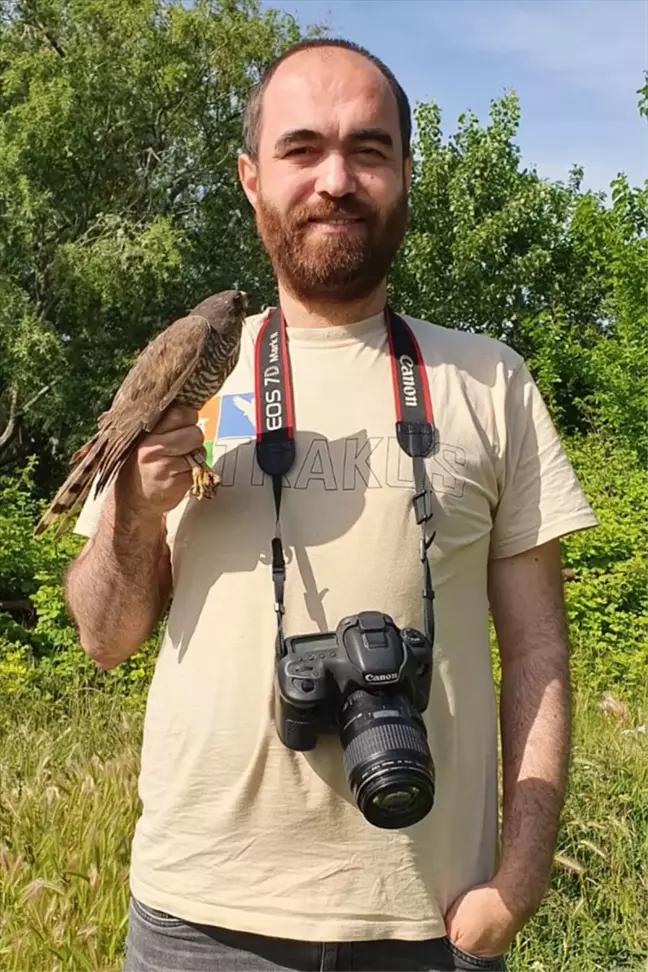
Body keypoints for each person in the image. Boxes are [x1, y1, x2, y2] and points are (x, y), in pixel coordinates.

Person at [65, 38, 598, 972]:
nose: (336, 178)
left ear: (404, 174)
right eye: (302, 148)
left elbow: (541, 651)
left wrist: (517, 883)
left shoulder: (488, 380)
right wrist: (136, 513)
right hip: (199, 919)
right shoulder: (190, 374)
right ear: (250, 177)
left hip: (429, 925)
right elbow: (103, 641)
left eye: (369, 149)